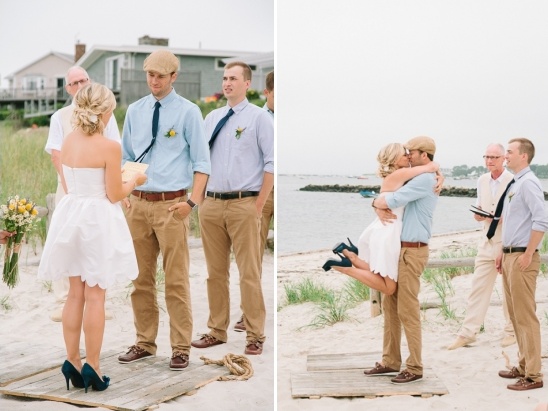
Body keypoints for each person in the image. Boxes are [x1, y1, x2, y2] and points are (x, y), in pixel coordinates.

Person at [37, 83, 147, 392]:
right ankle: (94, 367)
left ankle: (72, 359)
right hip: (97, 219)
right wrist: (135, 179)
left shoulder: (69, 141)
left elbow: (71, 183)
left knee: (75, 293)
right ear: (106, 111)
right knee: (96, 294)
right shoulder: (109, 147)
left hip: (71, 215)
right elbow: (114, 193)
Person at [117, 50, 210, 371]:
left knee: (176, 280)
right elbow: (124, 156)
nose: (154, 81)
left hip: (173, 206)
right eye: (150, 75)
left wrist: (191, 203)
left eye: (160, 75)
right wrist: (124, 194)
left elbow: (202, 163)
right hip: (137, 205)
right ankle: (144, 342)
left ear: (174, 77)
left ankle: (181, 348)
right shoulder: (135, 110)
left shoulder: (189, 112)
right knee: (140, 279)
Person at [191, 61, 274, 355]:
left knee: (248, 272)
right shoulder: (211, 118)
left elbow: (272, 163)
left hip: (244, 203)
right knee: (215, 273)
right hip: (211, 204)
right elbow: (199, 161)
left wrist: (259, 204)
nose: (227, 83)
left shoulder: (259, 119)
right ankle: (216, 331)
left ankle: (255, 335)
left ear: (247, 84)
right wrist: (197, 199)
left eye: (234, 78)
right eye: (225, 78)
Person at [45, 66, 121, 322]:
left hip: (96, 188)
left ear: (90, 81)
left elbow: (114, 148)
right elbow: (56, 155)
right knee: (68, 245)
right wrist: (73, 192)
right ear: (68, 88)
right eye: (74, 83)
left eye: (83, 80)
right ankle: (63, 299)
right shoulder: (60, 116)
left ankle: (94, 299)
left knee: (96, 250)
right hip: (71, 187)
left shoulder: (107, 118)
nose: (79, 86)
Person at [362, 136, 439, 384]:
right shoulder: (419, 175)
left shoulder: (425, 179)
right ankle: (390, 360)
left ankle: (415, 367)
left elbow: (389, 200)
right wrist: (377, 203)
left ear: (423, 155)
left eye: (411, 152)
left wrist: (375, 202)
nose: (408, 155)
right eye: (405, 152)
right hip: (399, 249)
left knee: (407, 310)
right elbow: (388, 196)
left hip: (411, 251)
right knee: (391, 308)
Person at [327, 143, 439, 296]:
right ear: (394, 159)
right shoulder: (400, 174)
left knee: (379, 273)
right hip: (388, 232)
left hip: (386, 229)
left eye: (408, 153)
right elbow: (430, 168)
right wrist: (439, 172)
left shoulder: (399, 175)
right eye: (403, 154)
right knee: (389, 288)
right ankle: (343, 267)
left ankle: (349, 255)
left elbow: (426, 174)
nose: (407, 156)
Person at [448, 143, 515, 350]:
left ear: (504, 158)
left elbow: (519, 215)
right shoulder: (482, 180)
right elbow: (480, 206)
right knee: (478, 288)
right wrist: (478, 215)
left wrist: (506, 222)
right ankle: (468, 333)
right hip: (486, 241)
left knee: (509, 290)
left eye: (494, 157)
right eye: (486, 156)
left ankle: (511, 330)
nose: (489, 161)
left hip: (508, 242)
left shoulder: (513, 181)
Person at [496, 138, 548, 391]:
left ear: (523, 156)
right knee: (515, 315)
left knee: (526, 316)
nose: (506, 155)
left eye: (509, 152)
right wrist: (501, 252)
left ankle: (534, 375)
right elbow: (514, 222)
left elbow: (542, 220)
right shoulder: (516, 183)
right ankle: (524, 364)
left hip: (521, 258)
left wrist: (528, 253)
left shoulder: (529, 184)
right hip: (509, 256)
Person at [234, 69, 275, 333]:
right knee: (252, 255)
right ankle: (247, 313)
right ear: (267, 93)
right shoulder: (254, 118)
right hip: (260, 190)